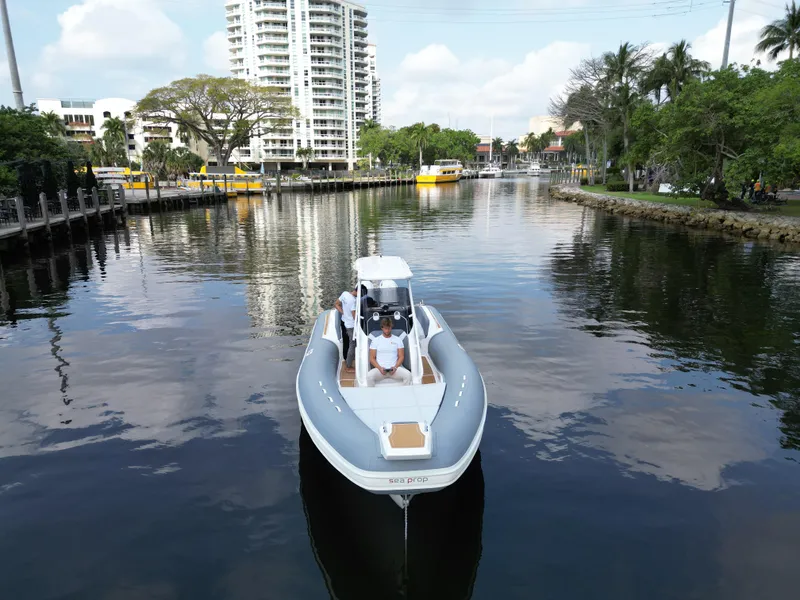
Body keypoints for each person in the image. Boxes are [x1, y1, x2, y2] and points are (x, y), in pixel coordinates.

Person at [366, 317, 412, 387]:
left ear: (391, 327)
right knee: (369, 376)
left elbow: (401, 356)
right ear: (382, 328)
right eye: (385, 328)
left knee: (408, 375)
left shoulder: (398, 340)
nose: (387, 330)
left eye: (389, 328)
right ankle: (372, 395)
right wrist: (379, 368)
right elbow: (372, 358)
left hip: (394, 369)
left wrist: (395, 367)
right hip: (380, 370)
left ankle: (406, 394)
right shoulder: (375, 340)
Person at [335, 285, 359, 371]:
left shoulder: (345, 294)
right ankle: (348, 365)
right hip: (351, 325)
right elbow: (354, 316)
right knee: (352, 343)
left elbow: (336, 304)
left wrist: (343, 313)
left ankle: (346, 359)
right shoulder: (354, 301)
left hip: (344, 321)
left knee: (346, 342)